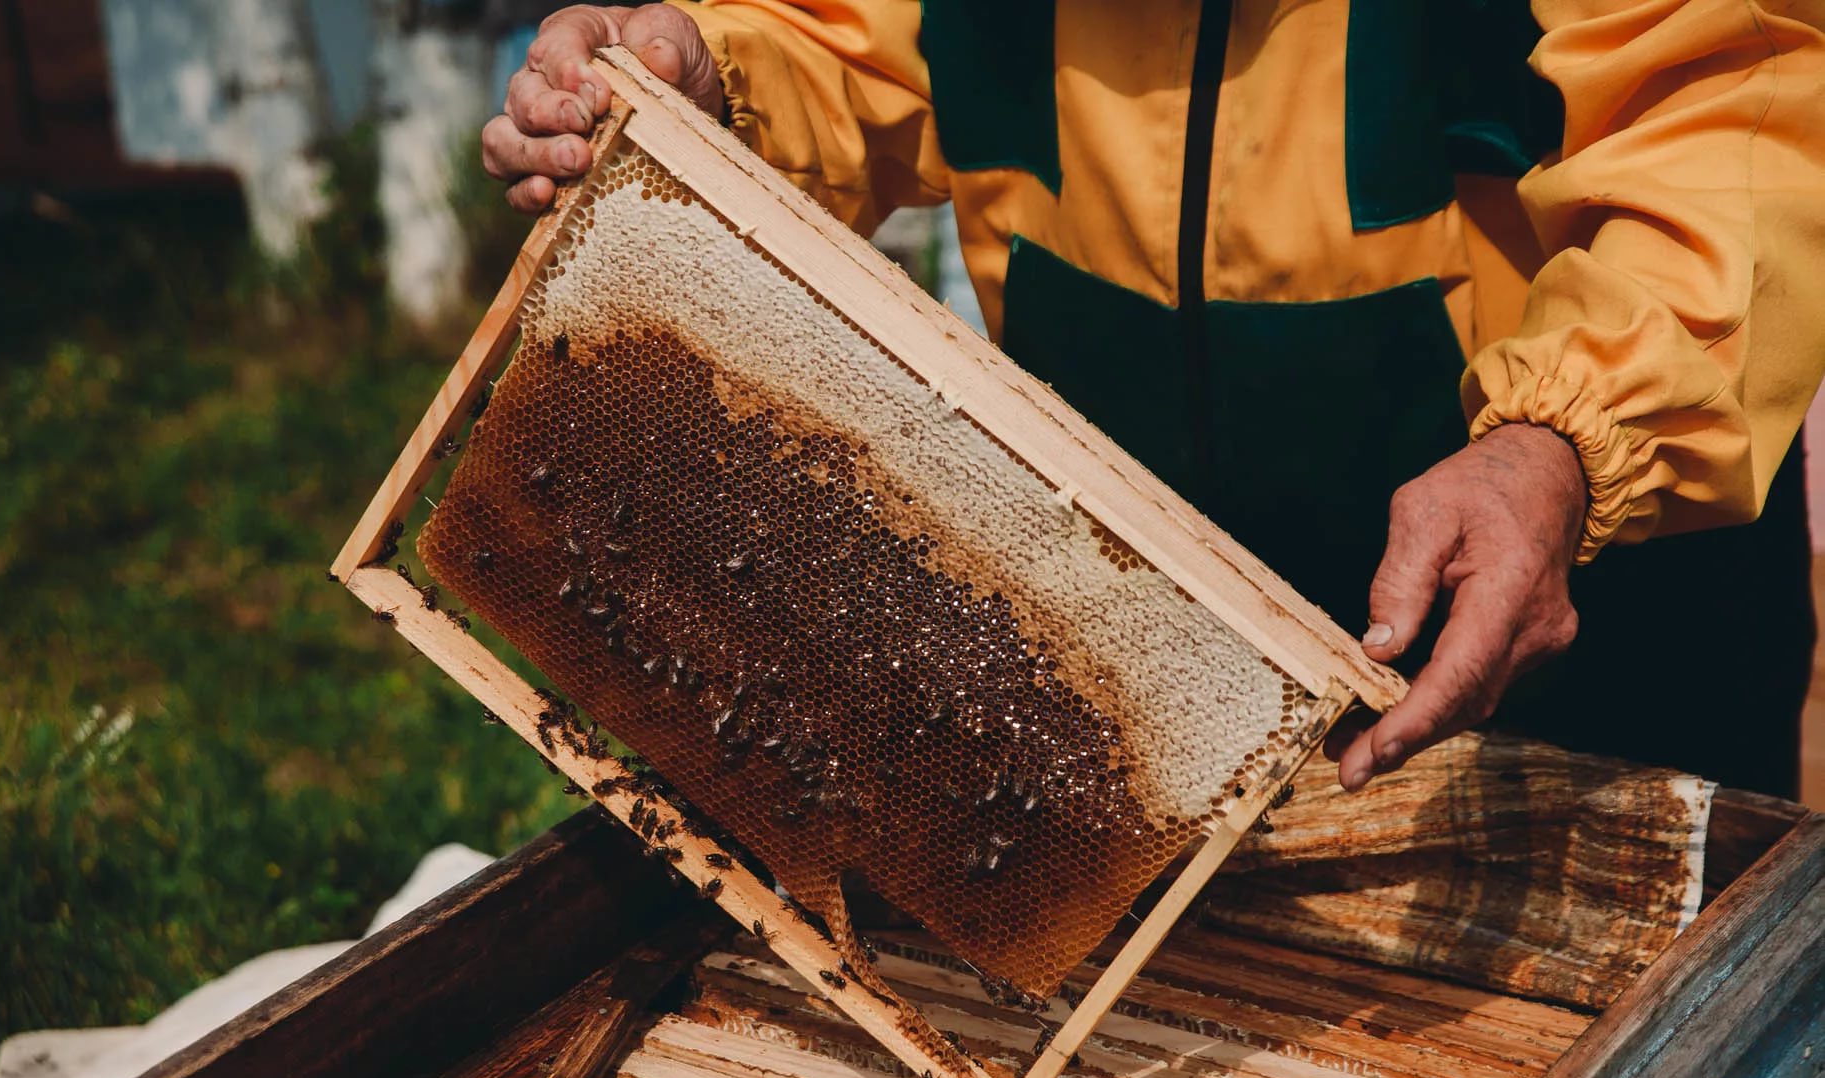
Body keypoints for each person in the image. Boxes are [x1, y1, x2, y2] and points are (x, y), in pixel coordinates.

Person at [480, 1, 1825, 797]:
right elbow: (876, 39)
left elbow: (1740, 106)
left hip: (1579, 587)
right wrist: (723, 77)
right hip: (1146, 617)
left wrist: (1569, 439)